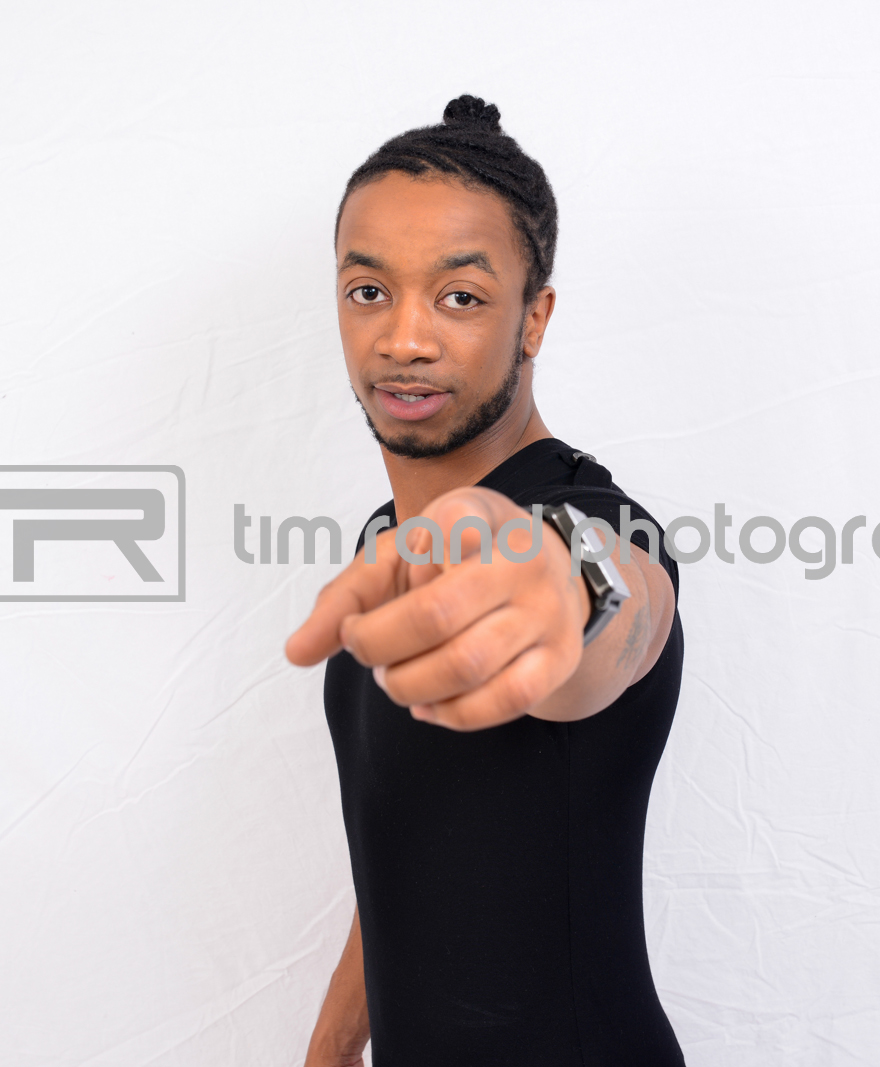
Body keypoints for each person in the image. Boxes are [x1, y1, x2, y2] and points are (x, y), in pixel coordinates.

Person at [285, 94, 686, 1067]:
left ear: (533, 317)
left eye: (459, 296)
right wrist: (331, 1047)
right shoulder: (386, 542)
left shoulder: (596, 521)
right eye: (369, 290)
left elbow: (618, 606)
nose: (404, 338)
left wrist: (563, 585)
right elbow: (409, 850)